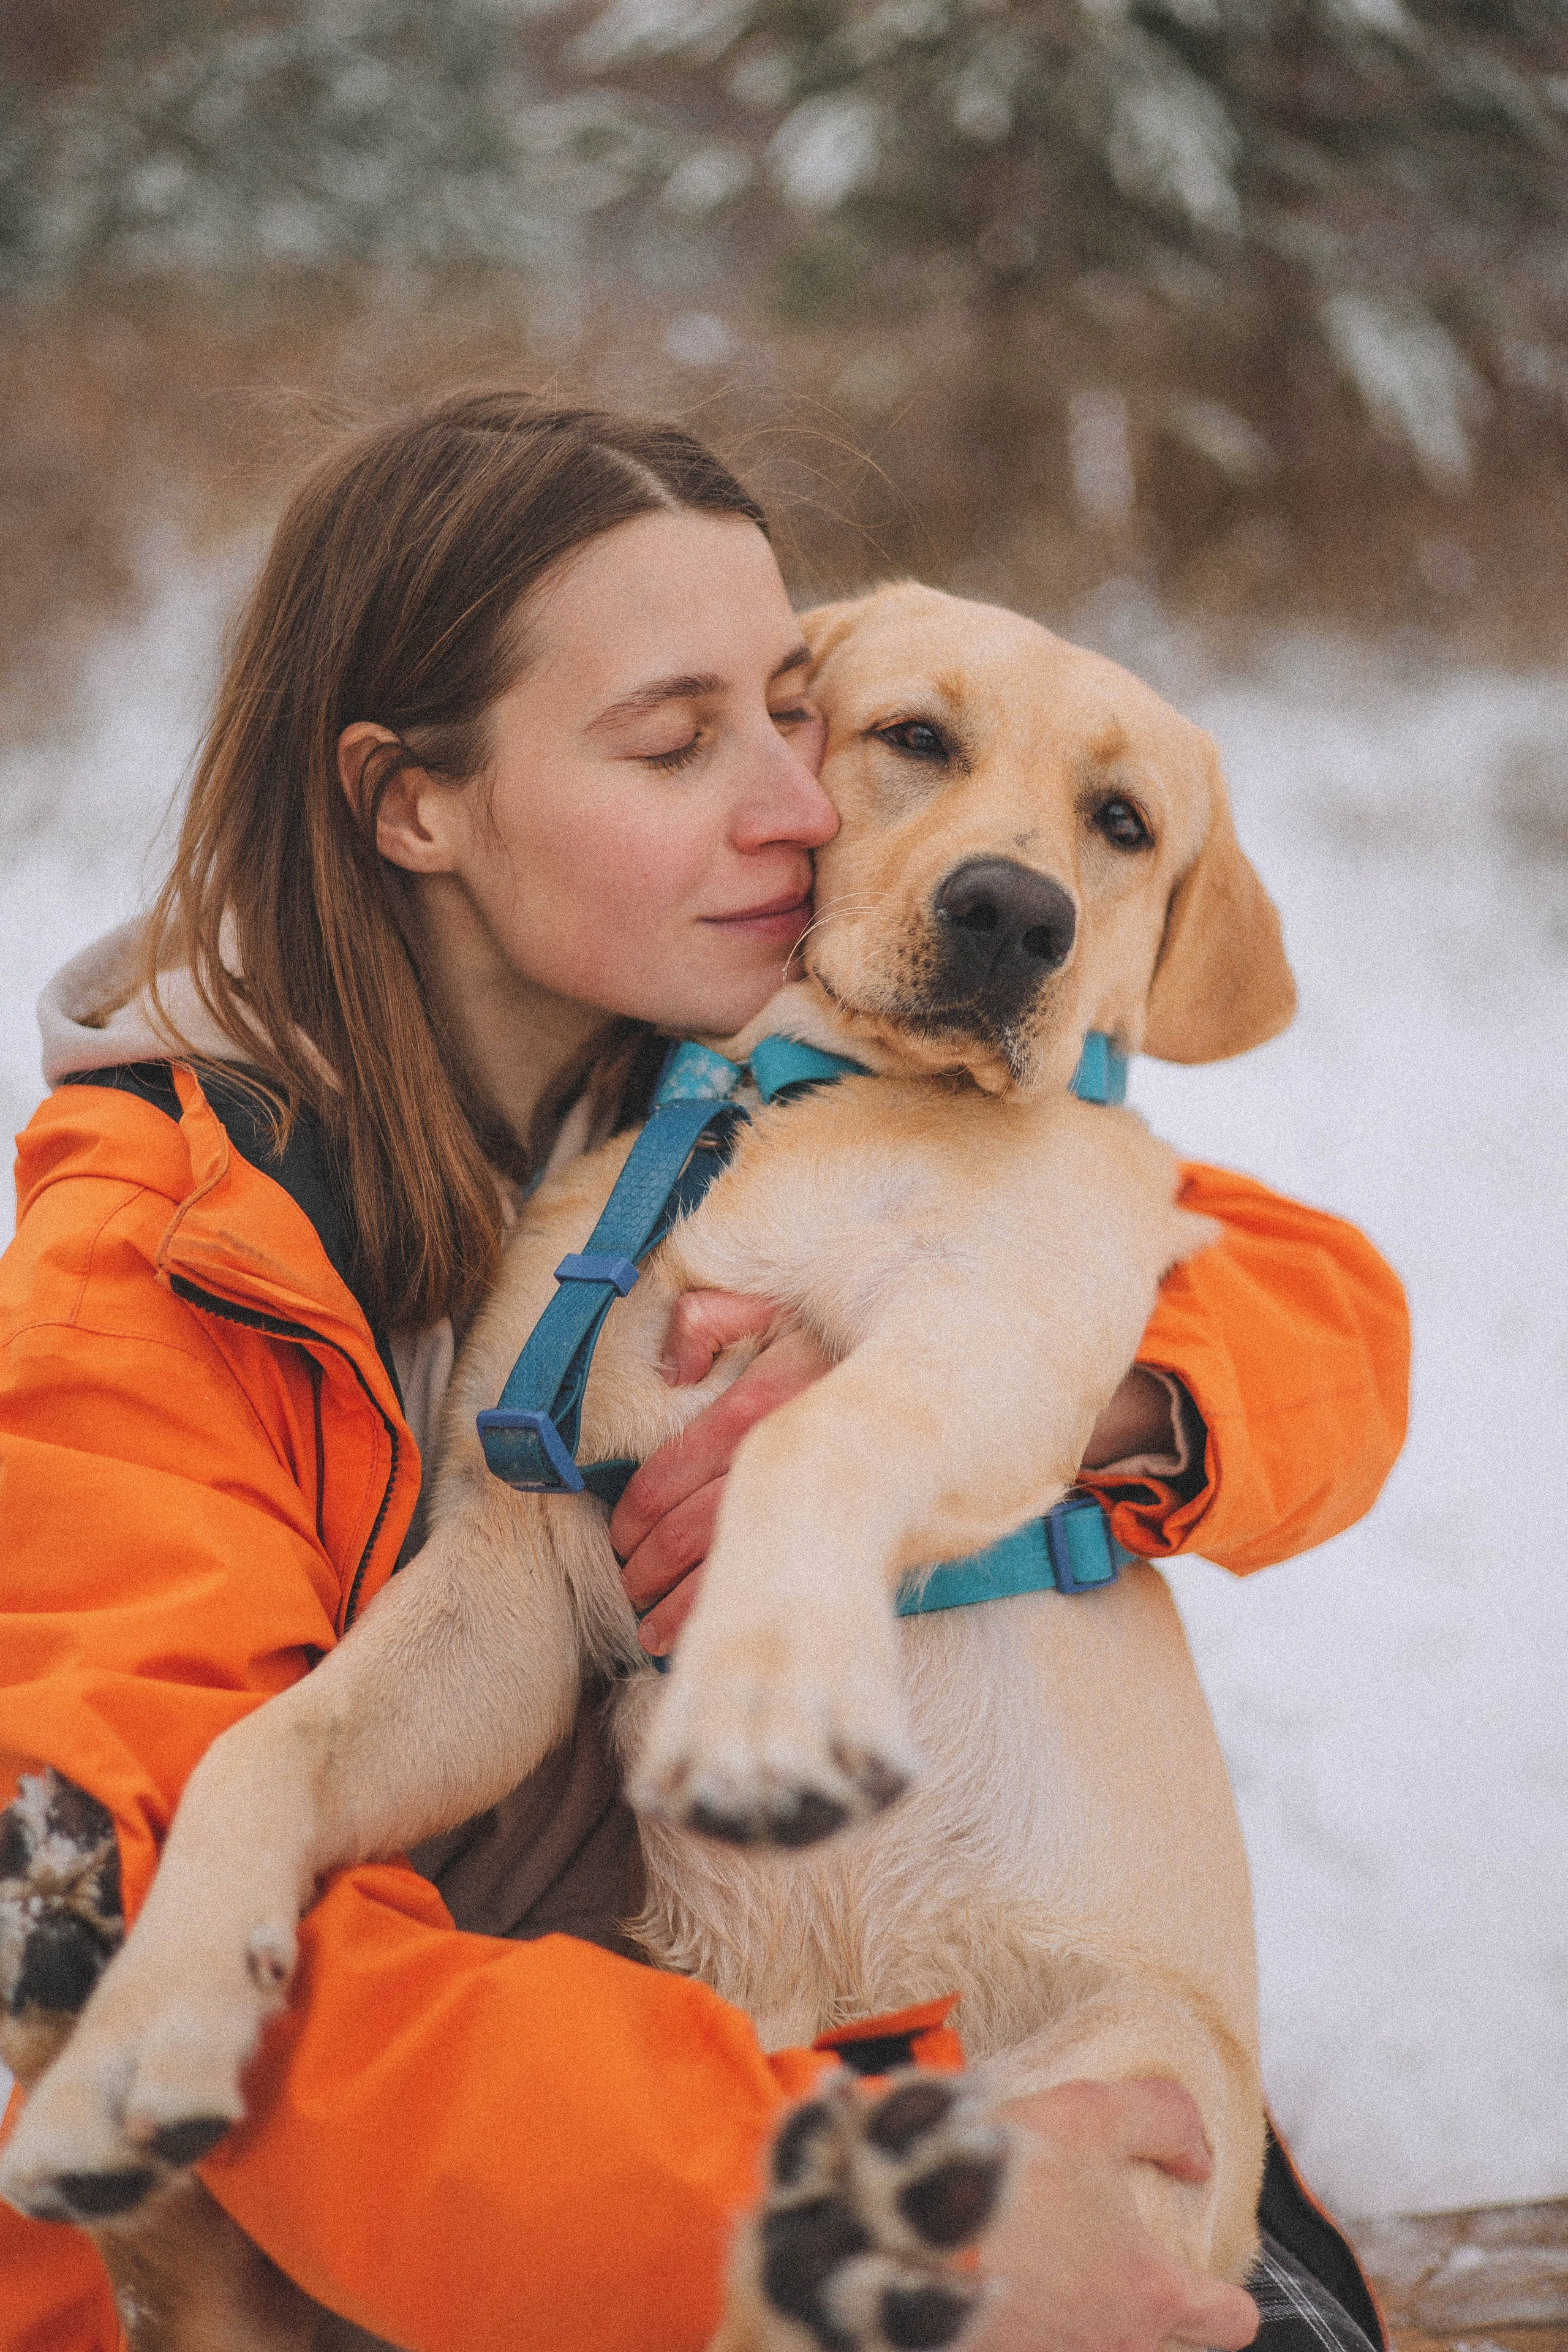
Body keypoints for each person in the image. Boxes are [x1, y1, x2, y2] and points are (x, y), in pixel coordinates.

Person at [0, 392, 1408, 2352]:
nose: (800, 808)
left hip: (1026, 2113)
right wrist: (851, 2224)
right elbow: (106, 1887)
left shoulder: (750, 1047)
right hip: (512, 2202)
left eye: (790, 711)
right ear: (415, 805)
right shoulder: (159, 1257)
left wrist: (1057, 1399)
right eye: (682, 741)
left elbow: (1314, 1297)